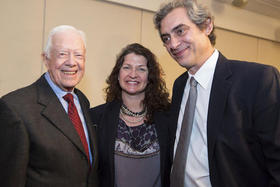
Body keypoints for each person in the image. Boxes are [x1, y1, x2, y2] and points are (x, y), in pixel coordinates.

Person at [154, 0, 280, 187]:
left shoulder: (258, 80)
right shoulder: (180, 85)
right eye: (166, 38)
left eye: (180, 31)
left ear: (206, 25)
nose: (172, 44)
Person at [0, 25, 98, 187]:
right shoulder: (15, 108)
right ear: (46, 59)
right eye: (62, 54)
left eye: (78, 55)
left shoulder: (82, 101)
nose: (71, 62)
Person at [90, 43, 171, 187]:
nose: (133, 74)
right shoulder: (96, 118)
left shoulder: (168, 118)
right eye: (127, 67)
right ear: (118, 73)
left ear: (150, 76)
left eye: (141, 69)